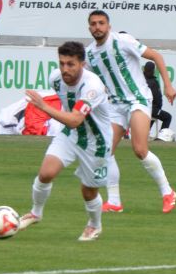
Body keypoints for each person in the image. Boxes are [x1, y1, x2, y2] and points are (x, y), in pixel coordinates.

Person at [16, 41, 119, 242]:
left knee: (88, 191)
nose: (65, 69)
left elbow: (75, 119)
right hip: (71, 135)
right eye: (62, 63)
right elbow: (71, 123)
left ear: (82, 64)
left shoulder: (93, 87)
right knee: (46, 173)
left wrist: (43, 106)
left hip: (96, 143)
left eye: (70, 64)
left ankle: (94, 225)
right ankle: (35, 213)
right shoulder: (56, 79)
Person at [84, 10, 176, 213]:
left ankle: (167, 192)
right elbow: (91, 84)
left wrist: (168, 85)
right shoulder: (90, 54)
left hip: (138, 99)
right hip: (115, 106)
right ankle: (115, 201)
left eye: (101, 23)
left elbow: (156, 56)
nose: (97, 27)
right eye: (93, 23)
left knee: (139, 149)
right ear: (89, 27)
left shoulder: (122, 40)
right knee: (105, 150)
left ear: (109, 26)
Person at [144, 60, 173, 141]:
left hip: (144, 108)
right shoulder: (152, 82)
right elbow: (156, 97)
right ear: (153, 70)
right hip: (152, 108)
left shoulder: (141, 80)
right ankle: (161, 138)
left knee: (153, 116)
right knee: (167, 117)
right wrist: (157, 107)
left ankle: (144, 135)